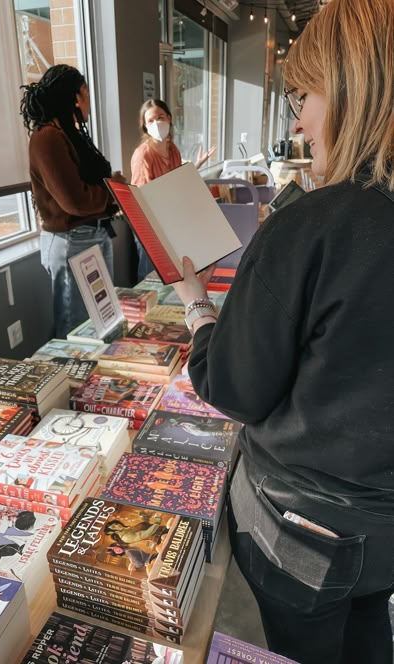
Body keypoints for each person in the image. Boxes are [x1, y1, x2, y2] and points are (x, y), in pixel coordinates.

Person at [172, 0, 394, 662]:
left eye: (307, 95)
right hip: (385, 528)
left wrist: (196, 308)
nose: (298, 120)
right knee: (369, 630)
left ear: (355, 87)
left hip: (304, 533)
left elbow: (234, 387)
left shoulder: (311, 226)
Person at [20, 64, 126, 338]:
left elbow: (87, 192)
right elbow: (75, 201)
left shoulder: (68, 133)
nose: (90, 100)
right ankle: (74, 378)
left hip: (92, 235)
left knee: (101, 323)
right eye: (87, 92)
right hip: (72, 241)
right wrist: (114, 190)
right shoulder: (48, 138)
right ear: (75, 97)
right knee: (75, 330)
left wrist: (111, 191)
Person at [130, 99, 216, 281]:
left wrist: (194, 167)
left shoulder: (173, 150)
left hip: (170, 222)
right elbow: (142, 196)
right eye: (151, 121)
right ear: (145, 126)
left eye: (160, 117)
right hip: (149, 225)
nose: (157, 123)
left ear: (169, 119)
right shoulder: (143, 154)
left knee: (173, 275)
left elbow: (176, 182)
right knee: (150, 277)